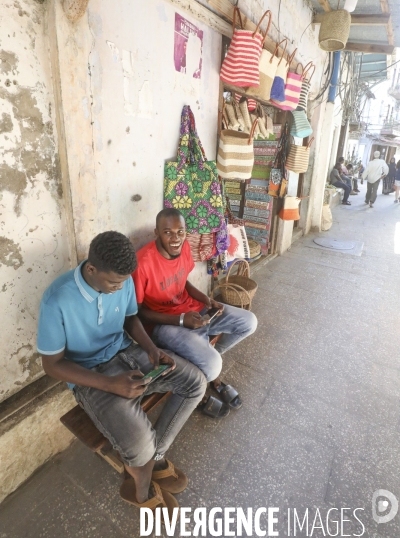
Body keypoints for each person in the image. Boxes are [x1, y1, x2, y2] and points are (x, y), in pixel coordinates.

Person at [36, 231, 206, 518]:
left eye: (125, 281)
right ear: (91, 269)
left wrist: (152, 350)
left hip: (127, 351)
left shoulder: (122, 280)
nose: (121, 287)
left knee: (195, 383)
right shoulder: (57, 299)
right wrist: (110, 384)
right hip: (90, 375)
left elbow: (130, 318)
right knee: (139, 447)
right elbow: (52, 365)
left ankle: (154, 458)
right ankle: (139, 490)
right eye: (114, 282)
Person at [133, 208, 258, 419]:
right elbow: (138, 314)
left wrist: (206, 300)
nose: (175, 239)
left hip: (194, 311)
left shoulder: (183, 247)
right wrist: (180, 320)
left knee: (249, 321)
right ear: (156, 233)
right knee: (213, 364)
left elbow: (183, 281)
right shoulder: (143, 263)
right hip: (165, 326)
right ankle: (202, 388)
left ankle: (207, 359)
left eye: (180, 232)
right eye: (168, 232)